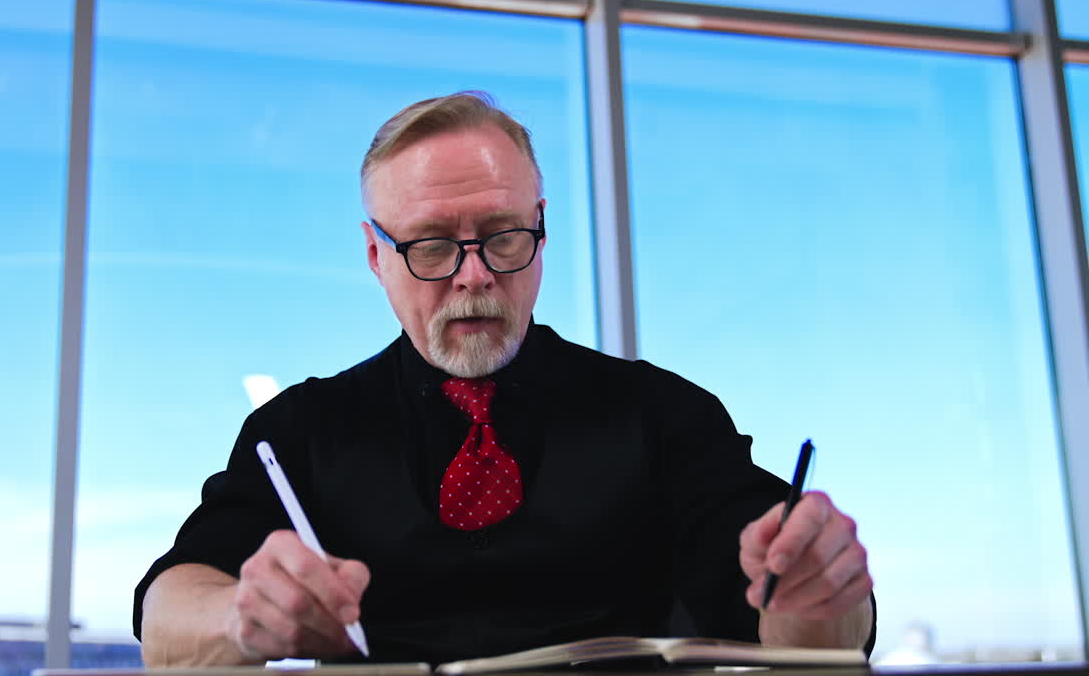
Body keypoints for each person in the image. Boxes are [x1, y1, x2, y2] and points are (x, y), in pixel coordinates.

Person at [133, 91, 875, 666]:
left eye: (502, 236)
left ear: (542, 225)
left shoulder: (664, 416)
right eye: (430, 246)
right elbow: (167, 619)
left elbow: (805, 636)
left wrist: (819, 590)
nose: (474, 275)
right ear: (374, 255)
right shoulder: (300, 429)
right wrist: (241, 617)